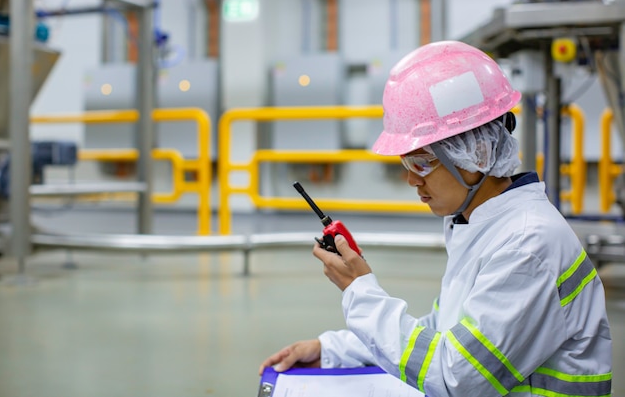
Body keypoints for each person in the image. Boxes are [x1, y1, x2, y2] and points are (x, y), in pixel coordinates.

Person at [258, 41, 613, 396]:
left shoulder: (527, 244)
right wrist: (334, 351)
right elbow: (444, 332)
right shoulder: (481, 225)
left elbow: (454, 376)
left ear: (476, 151)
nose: (412, 179)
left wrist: (360, 291)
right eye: (406, 164)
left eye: (422, 162)